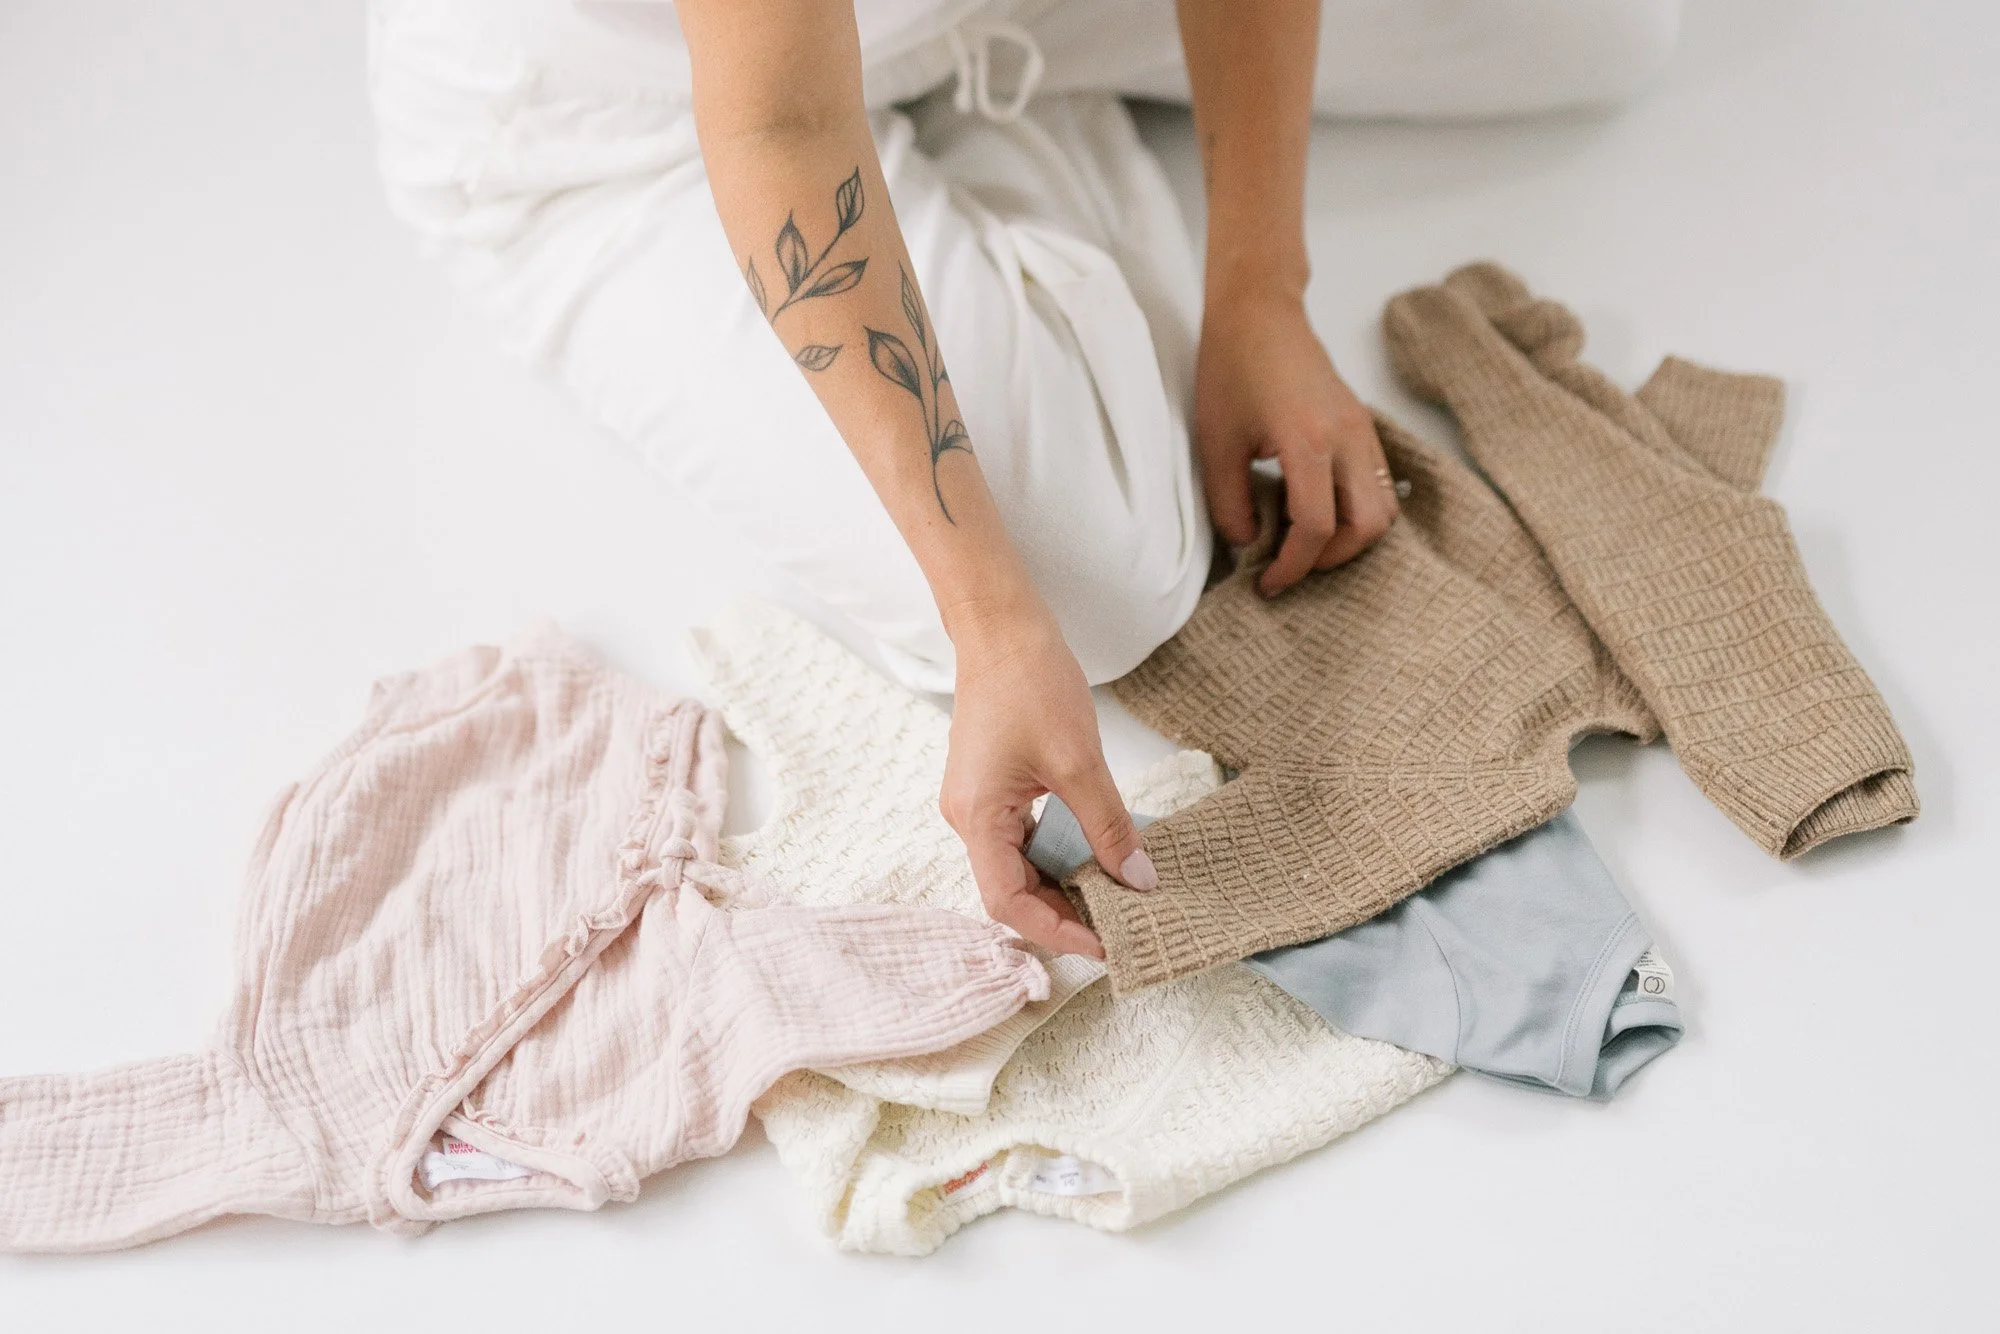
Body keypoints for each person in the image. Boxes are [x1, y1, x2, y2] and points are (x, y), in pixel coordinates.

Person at [367, 0, 1683, 961]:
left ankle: (992, 132)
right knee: (1097, 585)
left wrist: (1260, 290)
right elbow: (783, 116)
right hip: (639, 109)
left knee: (1609, 32)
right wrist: (990, 617)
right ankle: (998, 190)